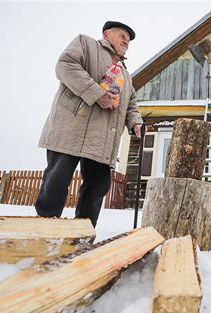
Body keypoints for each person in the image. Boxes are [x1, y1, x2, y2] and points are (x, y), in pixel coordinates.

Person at [35, 21, 144, 227]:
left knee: (97, 188)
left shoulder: (124, 74)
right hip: (72, 129)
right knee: (57, 181)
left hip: (102, 140)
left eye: (128, 40)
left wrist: (135, 122)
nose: (126, 41)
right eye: (122, 35)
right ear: (106, 34)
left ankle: (83, 234)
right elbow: (65, 66)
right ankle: (44, 230)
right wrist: (98, 94)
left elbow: (131, 103)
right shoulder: (86, 44)